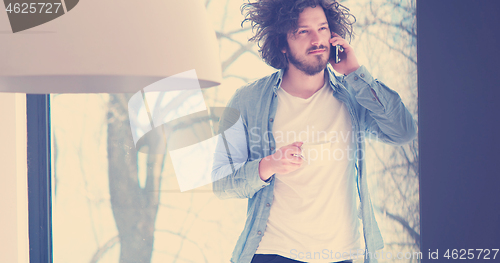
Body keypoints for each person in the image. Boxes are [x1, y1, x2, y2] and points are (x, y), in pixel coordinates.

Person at [211, 0, 417, 262]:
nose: (317, 39)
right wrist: (269, 164)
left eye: (322, 28)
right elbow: (221, 182)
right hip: (273, 253)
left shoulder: (354, 97)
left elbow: (404, 131)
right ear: (282, 44)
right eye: (303, 31)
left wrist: (355, 72)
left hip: (341, 254)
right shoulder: (247, 100)